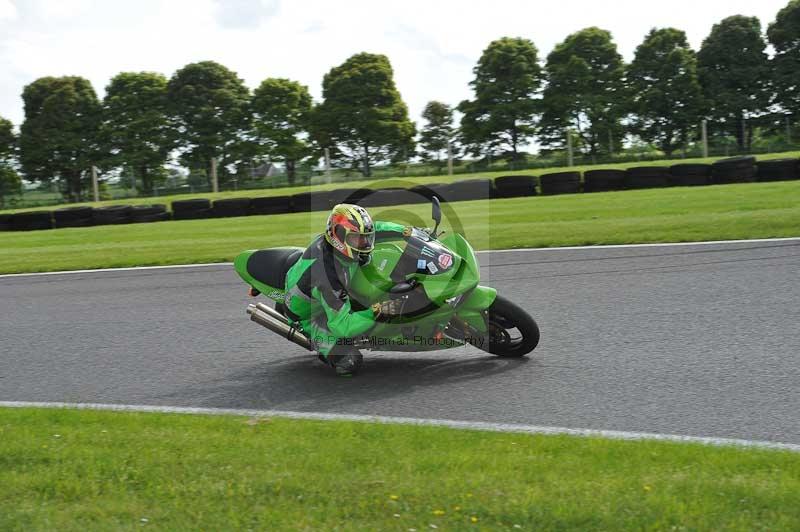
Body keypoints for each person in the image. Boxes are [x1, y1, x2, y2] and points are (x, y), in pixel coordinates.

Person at [283, 204, 405, 376]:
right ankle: (323, 347)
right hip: (311, 316)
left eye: (366, 238)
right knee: (349, 362)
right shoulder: (326, 276)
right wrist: (377, 311)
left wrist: (408, 232)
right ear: (338, 236)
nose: (364, 243)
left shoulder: (343, 246)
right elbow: (343, 326)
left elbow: (377, 228)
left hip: (331, 284)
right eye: (357, 238)